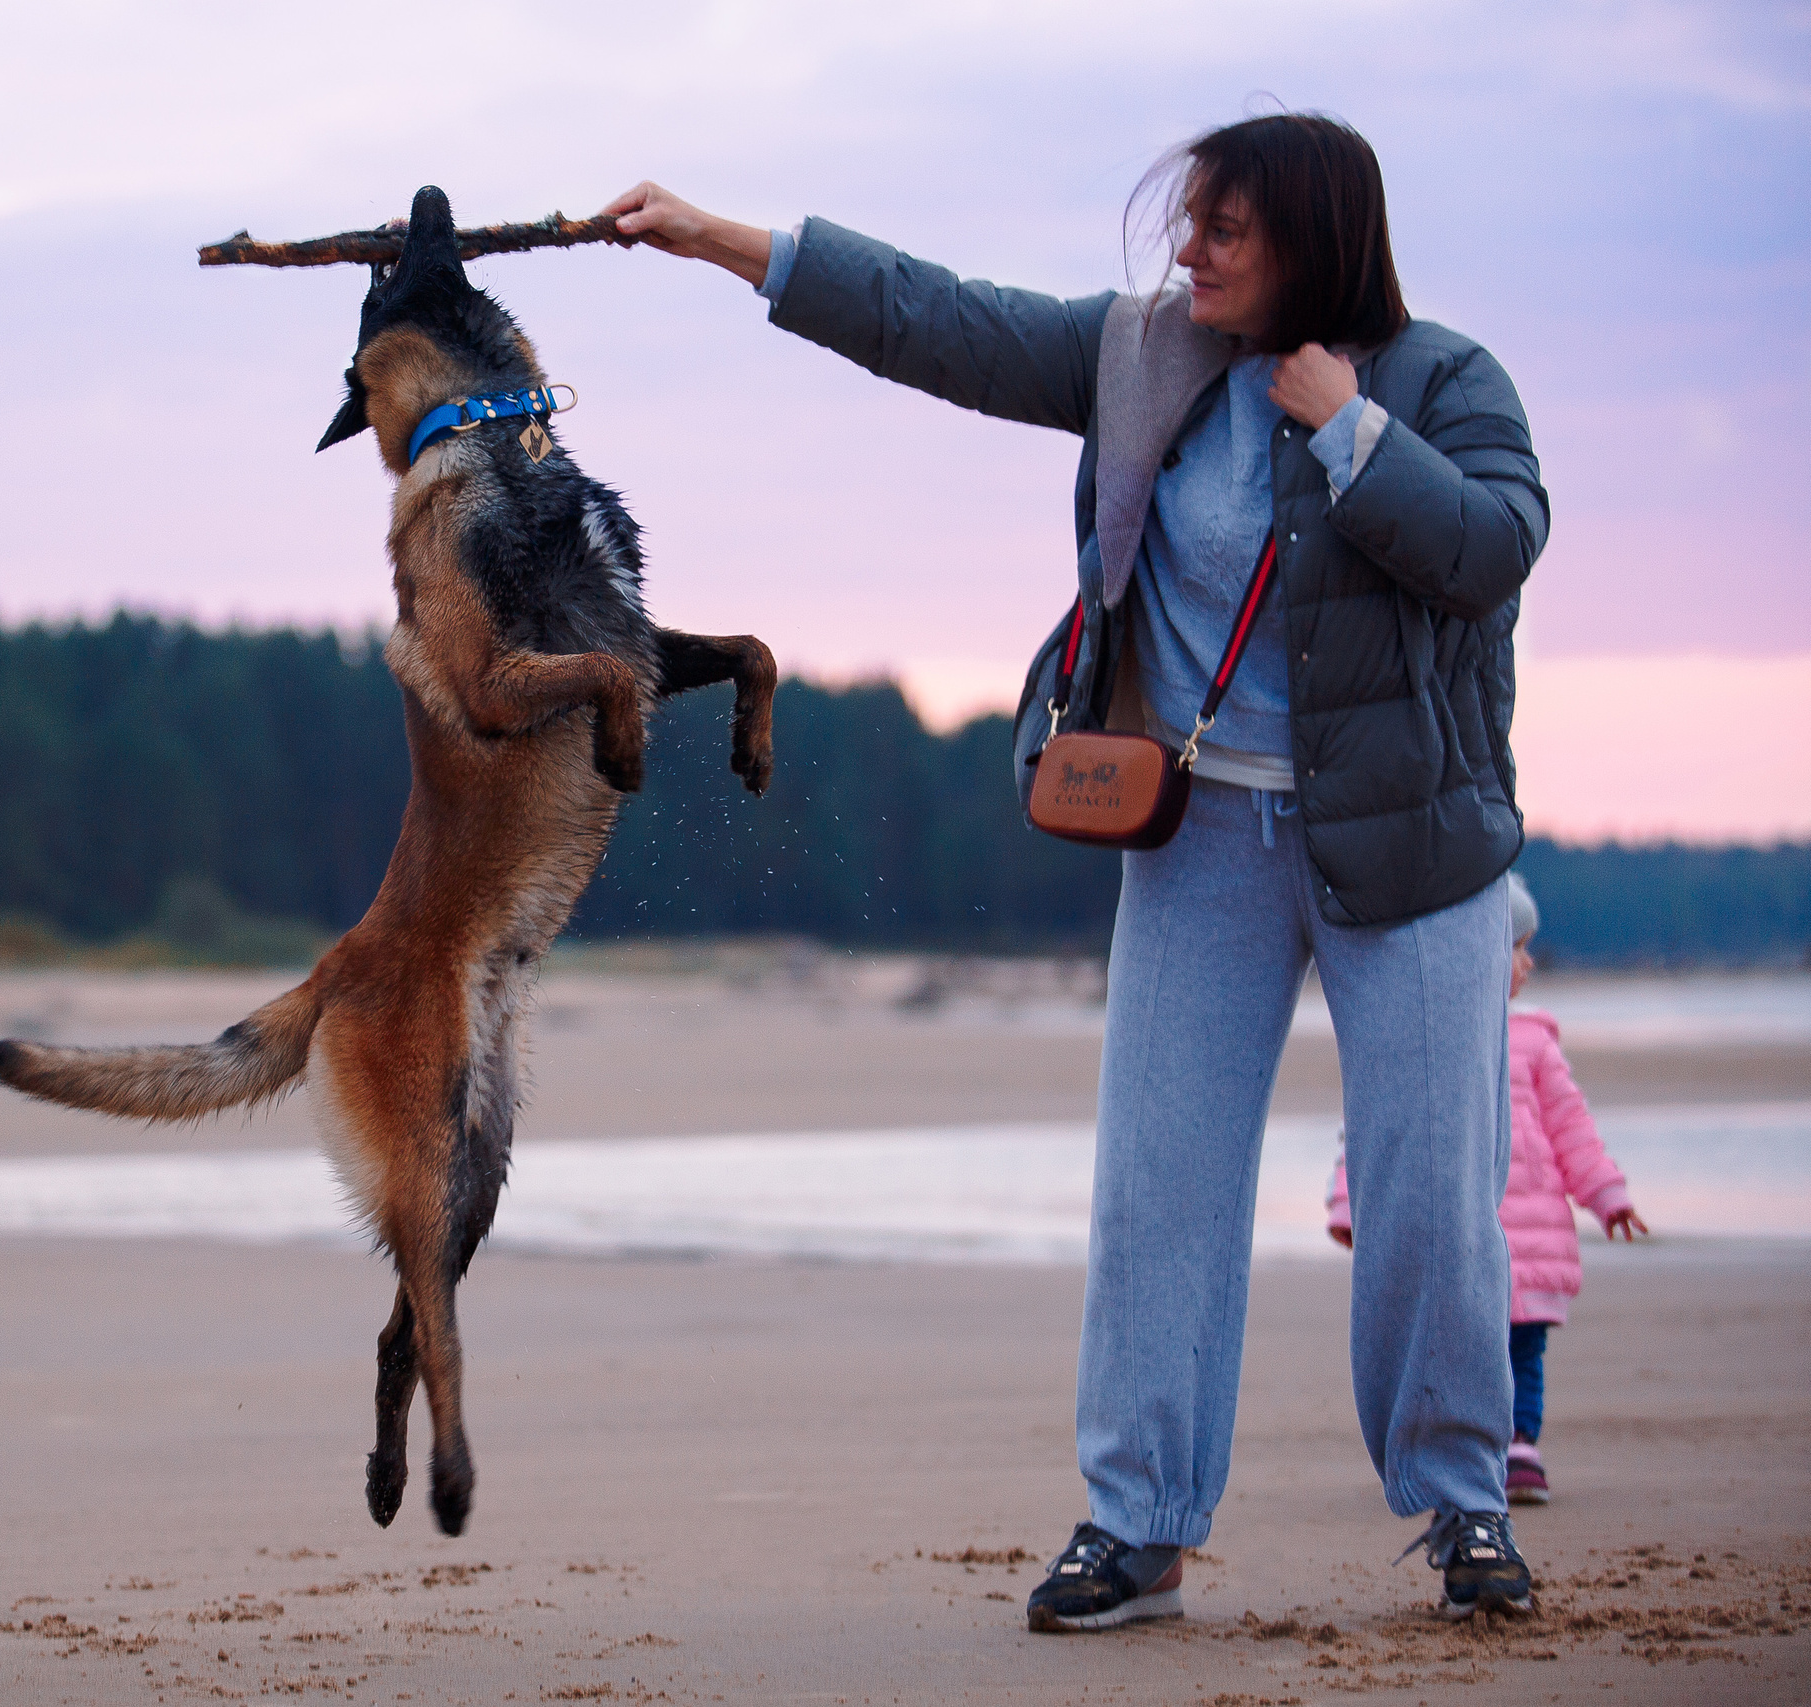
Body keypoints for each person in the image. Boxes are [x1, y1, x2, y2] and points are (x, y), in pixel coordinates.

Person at [605, 111, 1548, 1625]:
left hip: (1414, 838)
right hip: (1200, 835)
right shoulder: (1140, 356)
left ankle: (1463, 1504)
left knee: (1430, 1195)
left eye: (1225, 228)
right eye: (1191, 222)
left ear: (1312, 238)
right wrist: (725, 241)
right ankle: (1139, 1523)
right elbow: (939, 321)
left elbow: (1495, 547)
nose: (1189, 251)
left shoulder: (1445, 380)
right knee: (1158, 1189)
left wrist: (1352, 431)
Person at [1329, 872, 1647, 1505]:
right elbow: (1380, 1123)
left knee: (1523, 1348)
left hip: (1532, 1238)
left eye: (1529, 948)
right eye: (1517, 947)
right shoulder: (1431, 1032)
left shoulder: (1535, 1045)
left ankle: (1520, 1445)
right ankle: (1465, 1448)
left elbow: (1571, 1128)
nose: (1528, 962)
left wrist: (1607, 1194)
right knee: (1466, 1345)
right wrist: (1350, 1200)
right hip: (1462, 1232)